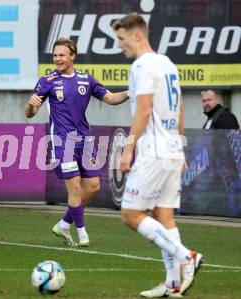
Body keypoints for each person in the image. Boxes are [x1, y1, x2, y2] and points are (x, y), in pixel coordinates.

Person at [114, 12, 202, 297]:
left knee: (130, 213)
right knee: (163, 214)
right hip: (172, 149)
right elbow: (179, 109)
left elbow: (143, 111)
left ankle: (186, 255)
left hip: (153, 151)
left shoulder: (142, 66)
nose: (120, 45)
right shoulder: (168, 64)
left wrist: (128, 150)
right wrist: (180, 145)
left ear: (137, 35)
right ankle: (173, 283)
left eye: (122, 38)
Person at [26, 37, 129, 247]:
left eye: (61, 55)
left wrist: (130, 93)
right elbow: (30, 113)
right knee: (74, 187)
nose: (57, 59)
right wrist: (31, 105)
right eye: (55, 55)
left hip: (85, 141)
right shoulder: (47, 81)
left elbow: (110, 98)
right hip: (62, 142)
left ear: (72, 56)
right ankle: (82, 234)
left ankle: (64, 224)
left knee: (92, 186)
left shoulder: (86, 79)